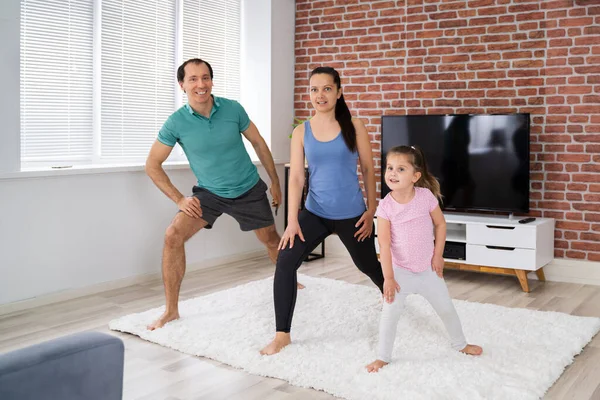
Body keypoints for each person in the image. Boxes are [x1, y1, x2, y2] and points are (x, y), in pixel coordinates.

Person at [145, 58, 302, 331]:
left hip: (248, 188)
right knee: (172, 236)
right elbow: (152, 165)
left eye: (205, 77)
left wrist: (274, 182)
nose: (200, 84)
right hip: (209, 193)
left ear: (212, 81)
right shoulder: (176, 123)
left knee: (270, 240)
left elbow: (258, 143)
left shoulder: (232, 109)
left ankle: (292, 280)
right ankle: (171, 310)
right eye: (193, 79)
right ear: (182, 85)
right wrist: (180, 199)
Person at [260, 66, 385, 355]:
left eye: (327, 88)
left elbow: (367, 169)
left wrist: (371, 211)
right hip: (314, 212)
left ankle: (388, 292)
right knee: (285, 261)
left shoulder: (355, 126)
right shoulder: (302, 131)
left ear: (339, 92)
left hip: (353, 214)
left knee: (367, 266)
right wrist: (292, 221)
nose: (320, 95)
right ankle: (282, 334)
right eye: (314, 89)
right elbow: (296, 177)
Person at [365, 145, 482, 373]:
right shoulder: (386, 207)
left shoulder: (425, 197)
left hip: (428, 270)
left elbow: (440, 224)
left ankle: (460, 344)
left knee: (446, 309)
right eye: (390, 168)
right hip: (400, 273)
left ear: (415, 176)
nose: (392, 173)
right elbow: (385, 245)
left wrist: (438, 255)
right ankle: (383, 357)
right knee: (390, 315)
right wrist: (388, 278)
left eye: (400, 169)